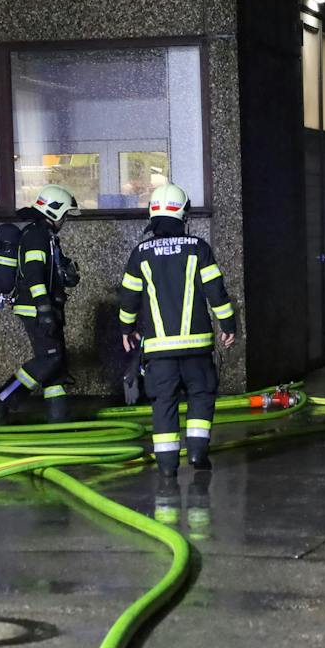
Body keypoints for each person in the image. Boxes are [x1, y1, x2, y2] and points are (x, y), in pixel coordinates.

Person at [118, 183, 238, 476]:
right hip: (197, 349)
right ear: (183, 216)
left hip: (159, 353)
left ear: (152, 216)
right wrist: (228, 325)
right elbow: (217, 293)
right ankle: (197, 455)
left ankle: (167, 467)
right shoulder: (199, 248)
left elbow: (129, 296)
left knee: (164, 404)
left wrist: (126, 328)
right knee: (201, 397)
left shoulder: (140, 253)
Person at [0, 185, 81, 424]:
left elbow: (52, 272)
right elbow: (33, 274)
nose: (66, 220)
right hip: (36, 308)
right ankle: (2, 398)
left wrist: (66, 274)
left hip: (49, 307)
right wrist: (43, 308)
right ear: (55, 212)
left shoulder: (47, 237)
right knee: (49, 358)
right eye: (65, 215)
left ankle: (58, 418)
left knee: (57, 363)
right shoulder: (36, 236)